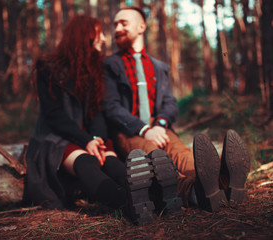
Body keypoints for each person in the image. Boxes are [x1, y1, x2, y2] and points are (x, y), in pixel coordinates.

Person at [102, 6, 251, 213]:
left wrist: (161, 124)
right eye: (115, 24)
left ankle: (221, 184)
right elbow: (111, 107)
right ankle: (194, 192)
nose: (117, 28)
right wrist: (144, 130)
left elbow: (170, 103)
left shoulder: (159, 67)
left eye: (123, 23)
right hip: (128, 129)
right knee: (153, 156)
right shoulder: (109, 65)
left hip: (158, 125)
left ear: (141, 26)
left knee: (182, 153)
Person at [25, 15, 128, 211]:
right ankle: (126, 203)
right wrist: (86, 140)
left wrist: (97, 139)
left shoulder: (96, 68)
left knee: (111, 161)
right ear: (86, 35)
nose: (105, 39)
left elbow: (97, 112)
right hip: (56, 138)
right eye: (101, 33)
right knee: (86, 162)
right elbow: (53, 115)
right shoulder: (48, 67)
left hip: (88, 135)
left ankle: (153, 194)